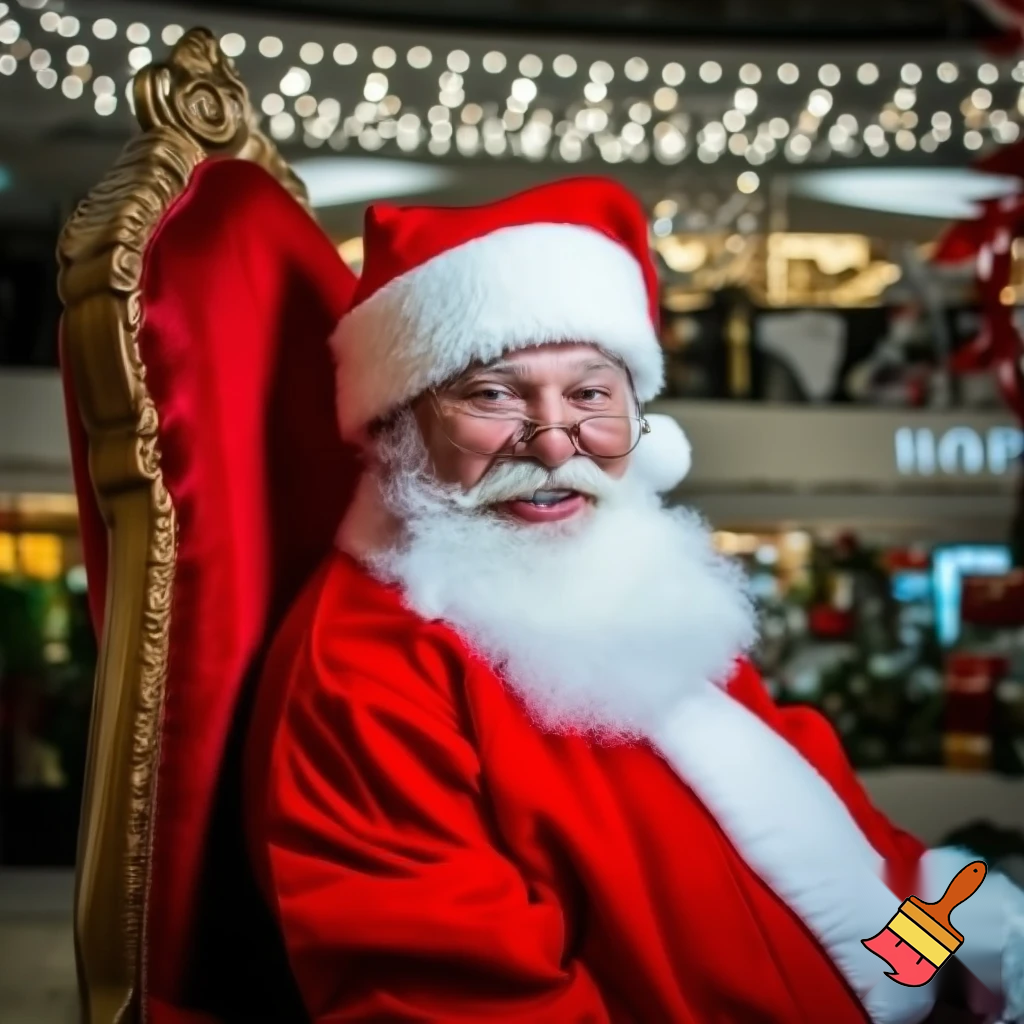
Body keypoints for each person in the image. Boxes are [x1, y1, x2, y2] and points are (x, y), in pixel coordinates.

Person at [244, 177, 1023, 1023]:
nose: (551, 444)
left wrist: (956, 968)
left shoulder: (637, 575)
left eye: (589, 395)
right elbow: (453, 1001)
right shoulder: (366, 672)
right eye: (493, 395)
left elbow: (841, 841)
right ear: (399, 426)